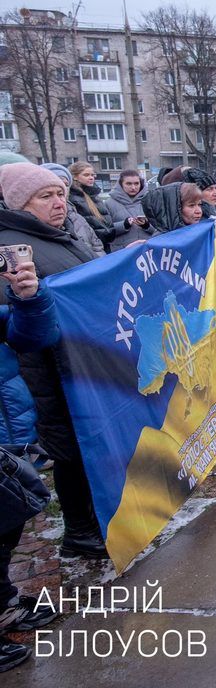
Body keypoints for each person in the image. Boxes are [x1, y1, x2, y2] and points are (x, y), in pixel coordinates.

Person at [0, 163, 102, 561]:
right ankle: (80, 532)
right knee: (69, 450)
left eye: (61, 193)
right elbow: (14, 319)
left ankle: (93, 522)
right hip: (47, 370)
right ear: (21, 202)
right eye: (46, 196)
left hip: (79, 360)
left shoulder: (54, 236)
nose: (59, 202)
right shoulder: (11, 246)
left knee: (83, 445)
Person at [0, 256, 60, 673]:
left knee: (8, 523)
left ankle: (3, 600)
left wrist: (27, 298)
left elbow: (35, 336)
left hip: (9, 426)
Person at [40, 164, 105, 257]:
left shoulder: (76, 217)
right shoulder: (76, 201)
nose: (62, 189)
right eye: (86, 175)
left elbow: (97, 246)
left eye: (66, 185)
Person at [66, 162, 115, 252]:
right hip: (92, 247)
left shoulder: (94, 195)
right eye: (86, 175)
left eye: (92, 175)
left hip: (105, 244)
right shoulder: (73, 198)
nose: (91, 178)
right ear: (75, 177)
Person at [105, 169, 155, 249]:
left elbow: (161, 229)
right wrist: (124, 225)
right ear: (121, 184)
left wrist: (147, 225)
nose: (133, 187)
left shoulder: (150, 200)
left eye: (136, 183)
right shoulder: (109, 203)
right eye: (129, 184)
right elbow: (105, 231)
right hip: (122, 253)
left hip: (147, 252)